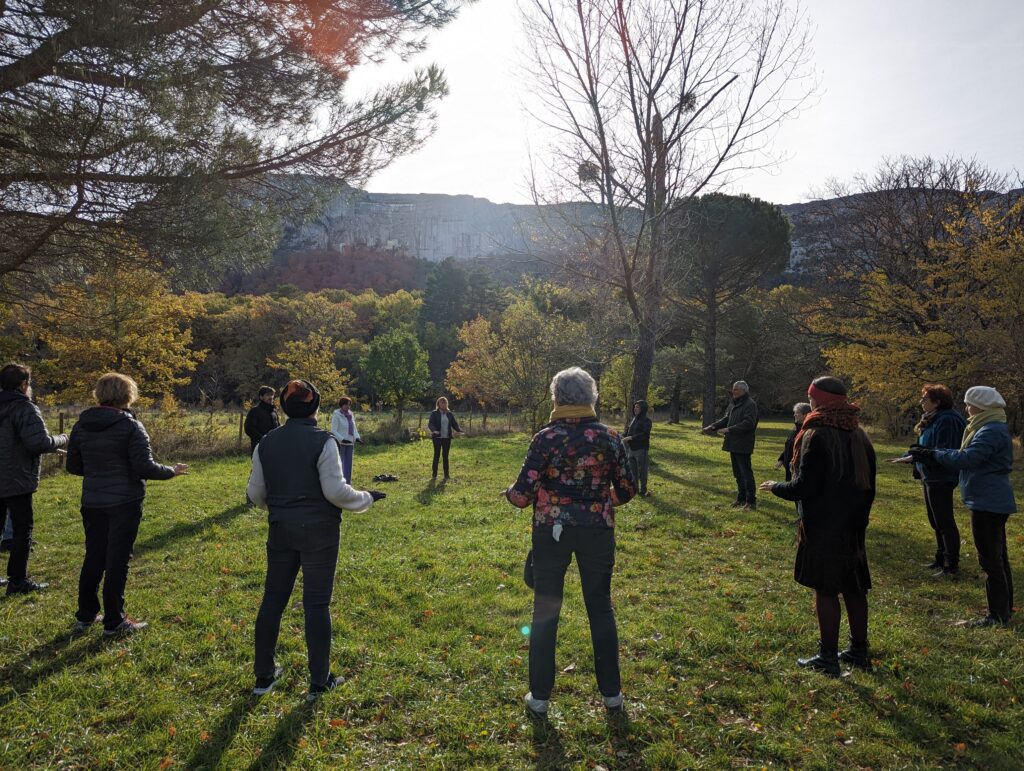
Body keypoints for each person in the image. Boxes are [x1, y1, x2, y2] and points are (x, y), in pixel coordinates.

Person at [504, 367, 636, 716]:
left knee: (546, 609)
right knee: (600, 606)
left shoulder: (545, 439)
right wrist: (601, 503)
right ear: (592, 396)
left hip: (551, 530)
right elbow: (628, 489)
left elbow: (521, 496)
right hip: (597, 530)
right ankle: (612, 695)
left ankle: (540, 697)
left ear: (557, 398)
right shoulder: (611, 438)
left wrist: (509, 493)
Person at [247, 379, 386, 700]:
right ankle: (319, 681)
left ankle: (263, 676)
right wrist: (366, 497)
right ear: (315, 406)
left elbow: (255, 493)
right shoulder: (324, 441)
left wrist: (282, 507)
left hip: (280, 528)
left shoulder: (266, 442)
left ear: (284, 406)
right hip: (320, 532)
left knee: (273, 600)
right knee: (317, 604)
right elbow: (336, 492)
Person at [759, 376, 876, 675]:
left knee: (826, 589)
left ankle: (828, 657)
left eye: (811, 397)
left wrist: (776, 487)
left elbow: (804, 487)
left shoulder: (817, 434)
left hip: (823, 525)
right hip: (853, 525)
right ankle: (859, 651)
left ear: (818, 400)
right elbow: (869, 487)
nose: (809, 402)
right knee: (853, 588)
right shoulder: (859, 434)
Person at [66, 373, 188, 636]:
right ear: (128, 395)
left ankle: (86, 615)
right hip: (125, 501)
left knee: (94, 557)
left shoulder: (81, 426)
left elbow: (74, 466)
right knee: (117, 560)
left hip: (93, 501)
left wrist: (98, 469)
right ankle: (114, 621)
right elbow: (144, 467)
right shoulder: (131, 426)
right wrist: (171, 471)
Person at [909, 386, 1016, 627]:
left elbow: (967, 458)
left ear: (981, 405)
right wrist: (933, 453)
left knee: (990, 559)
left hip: (988, 500)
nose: (966, 408)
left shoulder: (990, 430)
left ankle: (997, 615)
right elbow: (962, 453)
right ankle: (1004, 608)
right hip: (989, 498)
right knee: (997, 556)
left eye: (969, 404)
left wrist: (933, 454)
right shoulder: (989, 426)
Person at [0, 363, 68, 595]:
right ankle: (18, 581)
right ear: (23, 384)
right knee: (22, 530)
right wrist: (61, 438)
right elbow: (38, 442)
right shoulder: (24, 408)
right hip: (16, 477)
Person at [904, 384, 966, 577]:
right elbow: (925, 446)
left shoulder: (948, 420)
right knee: (935, 520)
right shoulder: (933, 418)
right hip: (929, 474)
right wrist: (910, 456)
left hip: (941, 476)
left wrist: (918, 455)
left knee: (944, 521)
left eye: (925, 399)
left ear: (937, 402)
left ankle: (951, 565)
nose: (921, 402)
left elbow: (944, 450)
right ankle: (940, 558)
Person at [702, 381, 759, 510]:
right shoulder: (735, 403)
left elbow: (748, 423)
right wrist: (713, 426)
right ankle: (741, 498)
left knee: (746, 473)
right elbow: (727, 418)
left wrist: (729, 429)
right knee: (738, 473)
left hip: (743, 443)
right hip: (733, 443)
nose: (733, 391)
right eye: (733, 389)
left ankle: (751, 501)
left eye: (736, 389)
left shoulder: (750, 404)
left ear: (744, 391)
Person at [427, 396, 463, 480]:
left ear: (447, 404)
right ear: (438, 404)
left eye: (445, 402)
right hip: (437, 438)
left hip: (447, 438)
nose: (443, 404)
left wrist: (460, 431)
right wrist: (434, 430)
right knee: (437, 455)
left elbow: (455, 424)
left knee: (445, 456)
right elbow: (430, 424)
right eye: (442, 403)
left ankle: (446, 475)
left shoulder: (449, 414)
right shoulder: (434, 413)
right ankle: (434, 475)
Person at [776, 402, 812, 482]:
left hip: (798, 468)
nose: (794, 415)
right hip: (789, 467)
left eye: (797, 413)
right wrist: (782, 459)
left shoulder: (807, 431)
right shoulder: (795, 429)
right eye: (794, 412)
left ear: (805, 415)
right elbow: (789, 445)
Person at [623, 400, 652, 496]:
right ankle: (635, 489)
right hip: (631, 450)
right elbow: (628, 431)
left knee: (642, 471)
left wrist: (630, 438)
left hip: (641, 449)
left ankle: (643, 490)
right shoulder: (634, 419)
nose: (635, 409)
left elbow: (644, 435)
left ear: (643, 409)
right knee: (633, 471)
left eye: (638, 407)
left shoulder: (647, 421)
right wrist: (622, 436)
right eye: (635, 407)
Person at [330, 396, 361, 483]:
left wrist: (357, 437)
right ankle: (339, 482)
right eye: (346, 404)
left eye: (349, 405)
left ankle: (347, 483)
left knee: (348, 464)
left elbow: (354, 428)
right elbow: (333, 430)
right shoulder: (337, 415)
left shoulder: (350, 414)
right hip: (340, 443)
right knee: (339, 463)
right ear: (341, 405)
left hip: (350, 442)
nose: (348, 406)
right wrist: (342, 439)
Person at [244, 386, 279, 455]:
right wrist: (262, 439)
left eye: (272, 395)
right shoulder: (255, 411)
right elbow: (249, 429)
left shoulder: (274, 412)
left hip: (273, 448)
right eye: (267, 395)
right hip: (259, 448)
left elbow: (278, 428)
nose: (271, 397)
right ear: (261, 397)